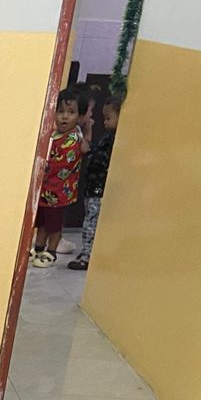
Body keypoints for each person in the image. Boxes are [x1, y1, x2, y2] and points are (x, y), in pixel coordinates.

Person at [30, 89, 86, 269]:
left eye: (71, 112)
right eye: (60, 111)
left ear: (79, 116)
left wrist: (40, 166)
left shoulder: (73, 139)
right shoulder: (53, 135)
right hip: (45, 191)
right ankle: (38, 248)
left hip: (58, 193)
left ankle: (51, 252)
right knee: (42, 223)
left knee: (54, 226)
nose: (64, 116)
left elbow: (59, 165)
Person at [69, 94, 118, 272]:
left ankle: (88, 256)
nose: (104, 122)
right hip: (93, 187)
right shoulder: (108, 137)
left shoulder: (114, 141)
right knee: (90, 218)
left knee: (91, 221)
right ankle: (87, 252)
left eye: (108, 118)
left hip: (99, 188)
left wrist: (88, 151)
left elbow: (101, 160)